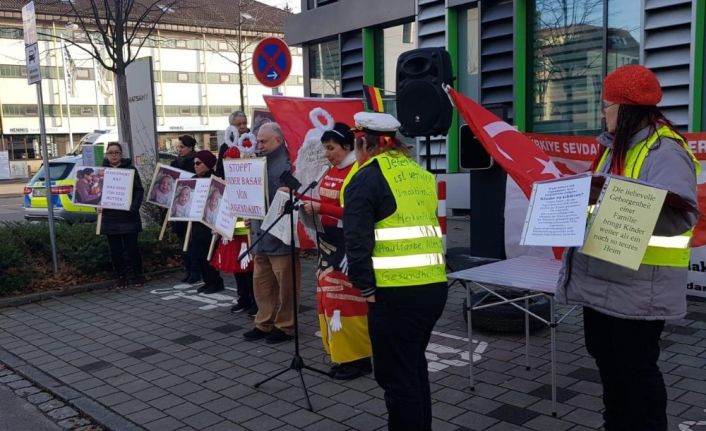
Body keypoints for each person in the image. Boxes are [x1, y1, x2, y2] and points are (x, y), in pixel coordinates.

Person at [557, 64, 699, 431]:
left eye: (606, 105)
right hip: (602, 280)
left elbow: (682, 214)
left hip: (639, 289)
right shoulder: (613, 146)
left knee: (636, 377)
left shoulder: (665, 151)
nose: (602, 113)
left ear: (626, 108)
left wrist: (617, 201)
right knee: (610, 371)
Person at [343, 112, 447, 431]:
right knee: (413, 367)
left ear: (362, 143)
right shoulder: (422, 174)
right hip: (432, 288)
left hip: (393, 294)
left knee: (396, 379)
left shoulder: (365, 178)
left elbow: (357, 241)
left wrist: (366, 289)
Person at [299, 122, 372, 380]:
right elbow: (325, 203)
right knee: (326, 302)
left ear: (347, 146)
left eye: (331, 148)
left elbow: (356, 214)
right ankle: (340, 354)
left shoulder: (357, 172)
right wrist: (300, 198)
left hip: (348, 248)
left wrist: (321, 209)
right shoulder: (329, 171)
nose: (327, 154)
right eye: (324, 148)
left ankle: (358, 358)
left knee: (346, 304)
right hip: (327, 246)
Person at [242, 122, 300, 344]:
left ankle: (285, 326)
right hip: (259, 234)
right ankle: (264, 322)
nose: (259, 144)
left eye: (263, 141)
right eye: (258, 141)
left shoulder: (290, 164)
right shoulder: (257, 163)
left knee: (286, 284)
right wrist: (249, 212)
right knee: (261, 282)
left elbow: (299, 193)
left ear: (278, 140)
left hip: (281, 236)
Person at [210, 146, 257, 316]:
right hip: (230, 233)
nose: (229, 167)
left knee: (249, 270)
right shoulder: (223, 183)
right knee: (238, 270)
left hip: (245, 233)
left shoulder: (249, 181)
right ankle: (243, 298)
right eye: (227, 163)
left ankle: (255, 301)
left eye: (232, 163)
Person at [99, 143, 145, 288]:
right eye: (111, 152)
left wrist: (134, 207)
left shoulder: (130, 170)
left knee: (132, 248)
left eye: (117, 152)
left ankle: (138, 275)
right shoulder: (100, 172)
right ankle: (120, 277)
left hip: (128, 217)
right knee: (115, 250)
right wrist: (96, 206)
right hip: (110, 217)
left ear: (121, 154)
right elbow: (95, 193)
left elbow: (139, 190)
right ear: (106, 154)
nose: (114, 155)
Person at [190, 150, 225, 295]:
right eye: (194, 163)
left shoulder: (216, 180)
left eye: (198, 163)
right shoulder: (193, 179)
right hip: (197, 221)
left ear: (208, 165)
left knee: (209, 253)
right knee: (199, 254)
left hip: (210, 222)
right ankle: (207, 281)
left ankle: (215, 282)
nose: (195, 166)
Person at [171, 135, 199, 283]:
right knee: (183, 241)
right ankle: (187, 269)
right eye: (179, 147)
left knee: (193, 242)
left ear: (190, 148)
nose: (179, 150)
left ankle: (195, 271)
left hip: (193, 208)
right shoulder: (174, 163)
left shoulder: (196, 162)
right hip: (179, 207)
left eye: (182, 147)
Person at [215, 111, 249, 178]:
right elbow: (220, 171)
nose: (242, 126)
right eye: (239, 124)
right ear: (231, 127)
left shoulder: (255, 142)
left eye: (244, 123)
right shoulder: (225, 146)